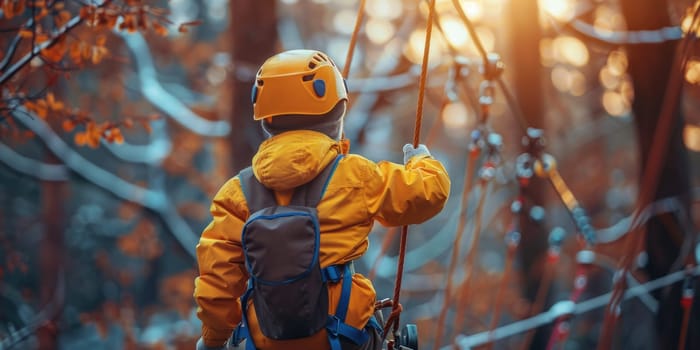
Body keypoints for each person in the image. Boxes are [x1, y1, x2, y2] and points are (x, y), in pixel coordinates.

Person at [194, 49, 450, 350]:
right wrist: (421, 161)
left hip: (263, 342)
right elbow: (429, 192)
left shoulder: (237, 192)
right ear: (336, 112)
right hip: (346, 339)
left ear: (266, 119)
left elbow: (216, 284)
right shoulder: (356, 175)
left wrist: (213, 341)